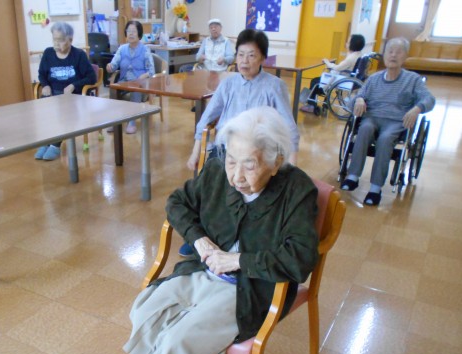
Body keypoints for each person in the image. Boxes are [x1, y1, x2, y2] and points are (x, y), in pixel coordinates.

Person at [97, 106, 319, 354]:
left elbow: (300, 258)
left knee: (180, 337)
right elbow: (178, 203)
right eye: (231, 161)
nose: (236, 176)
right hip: (202, 270)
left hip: (252, 288)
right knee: (146, 311)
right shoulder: (217, 169)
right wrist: (199, 239)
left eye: (250, 164)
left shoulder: (297, 190)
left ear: (276, 162)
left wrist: (237, 260)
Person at [181, 28, 300, 257]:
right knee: (207, 187)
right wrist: (196, 151)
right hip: (225, 149)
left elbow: (289, 128)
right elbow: (206, 119)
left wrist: (292, 166)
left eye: (251, 55)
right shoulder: (228, 84)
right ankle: (198, 234)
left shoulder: (274, 86)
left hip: (256, 152)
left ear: (263, 58)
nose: (244, 61)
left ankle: (232, 237)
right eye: (241, 54)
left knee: (244, 187)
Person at [340, 37, 435, 206]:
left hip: (396, 122)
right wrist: (359, 99)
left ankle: (375, 188)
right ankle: (353, 176)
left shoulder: (413, 80)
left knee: (385, 139)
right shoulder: (374, 79)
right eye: (390, 51)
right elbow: (355, 98)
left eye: (398, 52)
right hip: (372, 117)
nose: (393, 55)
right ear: (384, 55)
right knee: (364, 129)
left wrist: (417, 108)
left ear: (405, 56)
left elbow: (429, 99)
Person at [34, 22, 97, 161]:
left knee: (61, 111)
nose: (57, 44)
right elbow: (41, 74)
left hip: (72, 96)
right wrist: (45, 85)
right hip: (52, 93)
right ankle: (46, 142)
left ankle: (55, 145)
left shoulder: (78, 55)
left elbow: (92, 77)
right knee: (43, 110)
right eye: (54, 40)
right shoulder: (48, 53)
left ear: (70, 40)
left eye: (61, 40)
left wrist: (74, 85)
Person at [106, 20, 155, 134]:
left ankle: (132, 121)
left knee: (135, 89)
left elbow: (151, 71)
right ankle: (114, 121)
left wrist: (143, 76)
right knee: (113, 89)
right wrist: (110, 67)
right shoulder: (122, 49)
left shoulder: (145, 50)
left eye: (134, 31)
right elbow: (114, 64)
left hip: (140, 83)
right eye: (128, 31)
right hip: (123, 82)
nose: (131, 34)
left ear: (139, 34)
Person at [300, 34, 365, 113]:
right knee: (319, 81)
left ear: (353, 44)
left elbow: (337, 68)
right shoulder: (360, 55)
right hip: (349, 78)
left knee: (314, 81)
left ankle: (311, 105)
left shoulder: (351, 58)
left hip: (343, 79)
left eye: (348, 42)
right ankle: (324, 103)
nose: (346, 44)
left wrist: (327, 62)